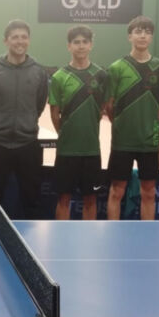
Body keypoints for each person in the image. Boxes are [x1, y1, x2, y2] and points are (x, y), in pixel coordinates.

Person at [0, 19, 49, 219]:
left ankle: (29, 236)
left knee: (31, 199)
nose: (20, 41)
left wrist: (26, 123)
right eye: (15, 37)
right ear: (6, 41)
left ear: (29, 40)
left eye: (24, 37)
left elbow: (39, 104)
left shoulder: (38, 71)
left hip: (28, 144)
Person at [106, 15, 159, 220]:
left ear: (151, 37)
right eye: (138, 31)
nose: (143, 36)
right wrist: (122, 124)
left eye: (147, 32)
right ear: (129, 36)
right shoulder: (116, 68)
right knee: (117, 191)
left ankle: (147, 234)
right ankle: (112, 232)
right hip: (122, 140)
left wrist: (149, 125)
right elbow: (109, 104)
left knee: (149, 192)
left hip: (149, 141)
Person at [49, 25, 109, 220]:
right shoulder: (59, 77)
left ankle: (89, 237)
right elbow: (54, 113)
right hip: (66, 151)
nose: (81, 46)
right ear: (69, 46)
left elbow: (102, 108)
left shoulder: (101, 76)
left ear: (91, 45)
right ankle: (61, 235)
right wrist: (66, 133)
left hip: (91, 150)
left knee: (90, 199)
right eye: (76, 42)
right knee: (63, 199)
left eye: (85, 42)